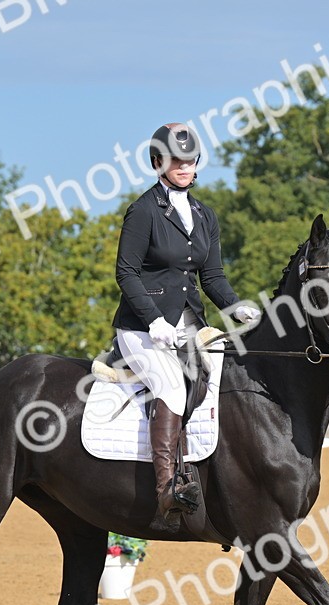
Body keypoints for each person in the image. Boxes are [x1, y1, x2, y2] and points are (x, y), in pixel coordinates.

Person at [113, 123, 261, 519]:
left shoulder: (204, 215)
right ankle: (166, 489)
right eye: (176, 159)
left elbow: (211, 278)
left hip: (190, 324)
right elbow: (126, 272)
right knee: (172, 389)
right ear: (158, 162)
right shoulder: (143, 210)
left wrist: (235, 306)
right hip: (142, 328)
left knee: (222, 379)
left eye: (190, 159)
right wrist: (153, 319)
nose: (184, 166)